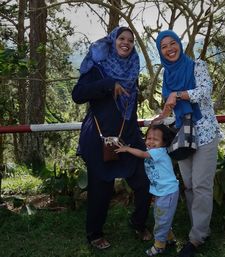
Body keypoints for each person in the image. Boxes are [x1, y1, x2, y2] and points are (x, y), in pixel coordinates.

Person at [72, 26, 152, 250]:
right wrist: (108, 85)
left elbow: (131, 108)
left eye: (130, 40)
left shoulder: (132, 68)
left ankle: (137, 223)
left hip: (127, 137)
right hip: (100, 138)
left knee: (143, 183)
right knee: (101, 189)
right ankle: (94, 233)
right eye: (121, 38)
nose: (126, 42)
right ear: (112, 41)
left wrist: (138, 138)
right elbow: (77, 94)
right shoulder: (98, 68)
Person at [153, 30, 223, 257]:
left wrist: (180, 94)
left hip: (204, 133)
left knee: (202, 185)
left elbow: (204, 92)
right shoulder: (167, 75)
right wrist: (162, 116)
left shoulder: (197, 65)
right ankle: (201, 229)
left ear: (180, 45)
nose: (169, 48)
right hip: (182, 135)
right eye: (164, 46)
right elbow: (171, 111)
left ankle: (195, 239)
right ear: (160, 51)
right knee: (190, 185)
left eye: (173, 43)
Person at [115, 124, 179, 256]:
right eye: (148, 138)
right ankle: (169, 237)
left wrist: (127, 149)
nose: (150, 141)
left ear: (164, 142)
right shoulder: (154, 150)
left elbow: (142, 154)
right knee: (161, 216)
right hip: (163, 191)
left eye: (155, 139)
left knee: (161, 218)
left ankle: (159, 245)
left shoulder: (159, 152)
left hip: (167, 192)